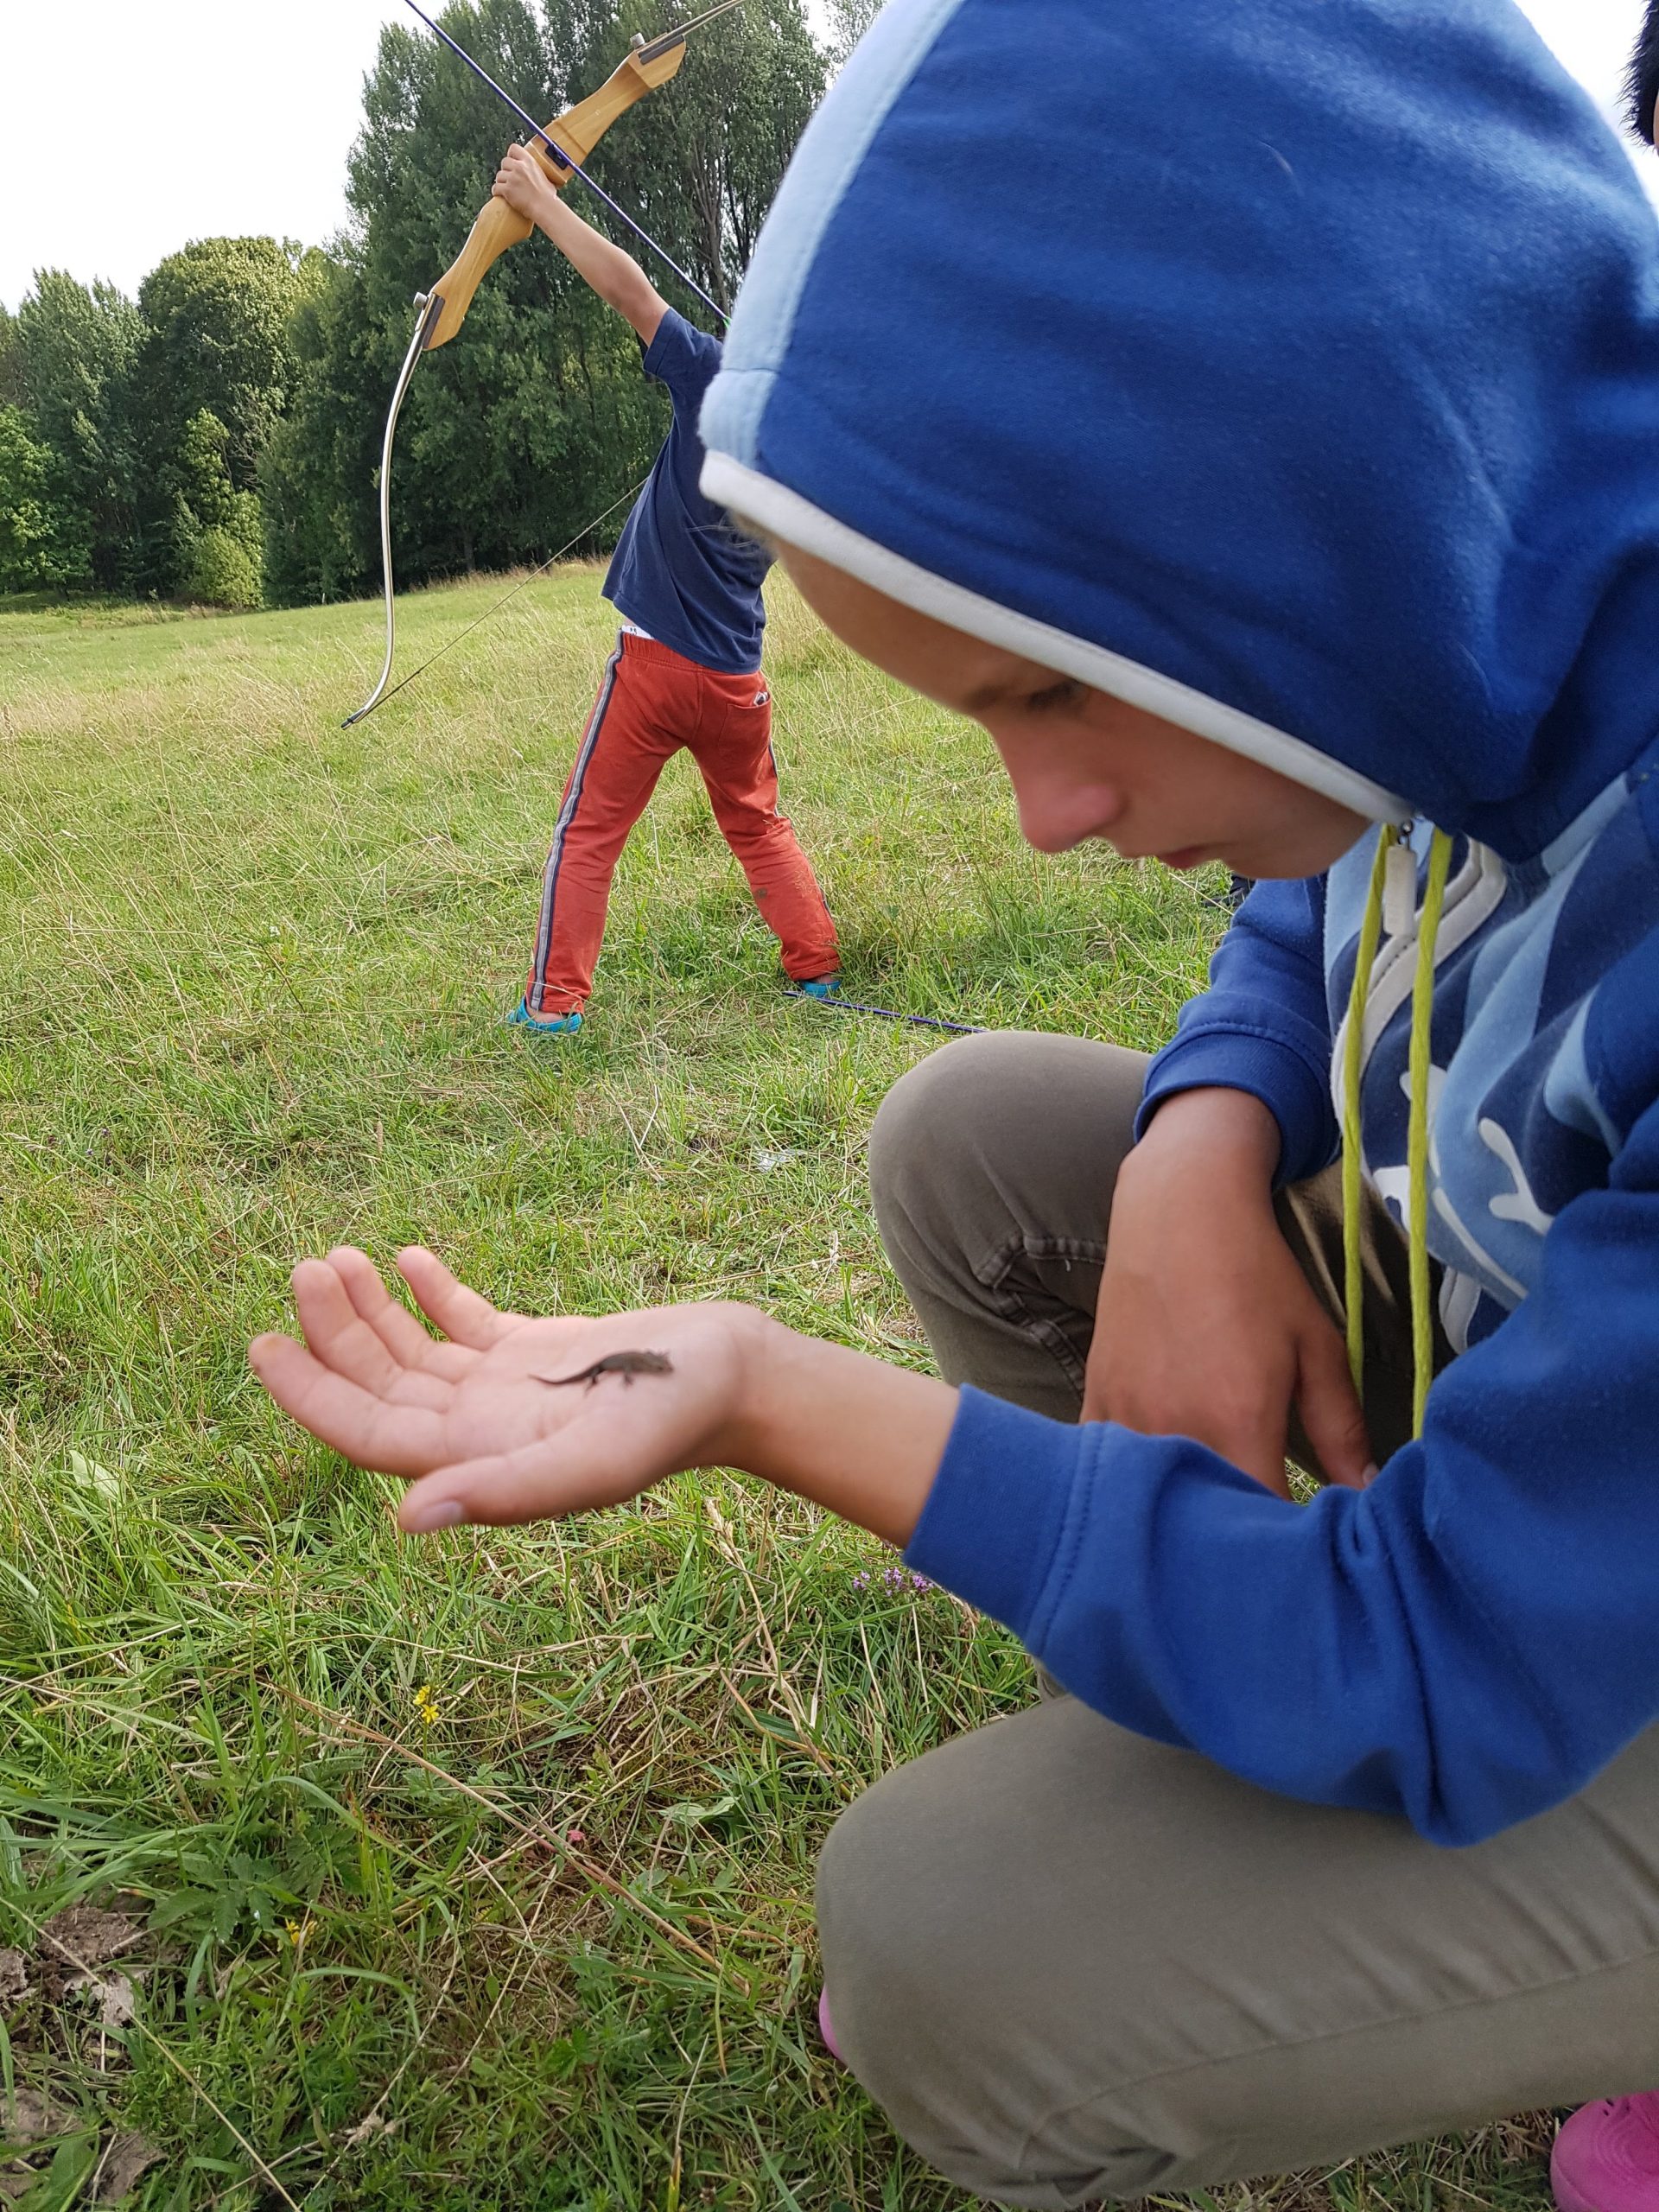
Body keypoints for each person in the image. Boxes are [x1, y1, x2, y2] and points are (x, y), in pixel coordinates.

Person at [251, 3, 1659, 2206]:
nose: (1042, 814)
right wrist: (1202, 1144)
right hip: (1564, 1431)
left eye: (1060, 687)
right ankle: (1251, 1678)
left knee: (951, 1953)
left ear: (1344, 498)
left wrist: (753, 1384)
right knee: (986, 1142)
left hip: (1566, 1613)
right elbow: (1331, 891)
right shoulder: (1492, 600)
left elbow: (1463, 1651)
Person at [491, 143, 840, 1036]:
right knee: (757, 823)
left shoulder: (717, 378)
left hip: (653, 671)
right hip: (737, 682)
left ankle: (554, 1005)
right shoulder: (808, 449)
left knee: (588, 831)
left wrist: (539, 199)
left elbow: (629, 290)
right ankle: (818, 970)